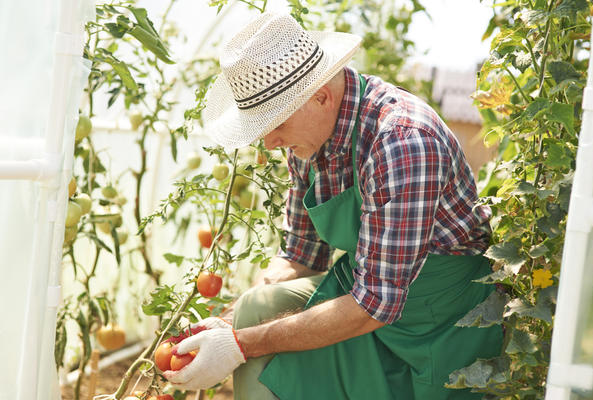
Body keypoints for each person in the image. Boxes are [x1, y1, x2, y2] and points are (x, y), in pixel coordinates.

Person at [164, 12, 503, 400]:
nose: (268, 143)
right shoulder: (308, 140)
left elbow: (375, 305)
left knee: (252, 336)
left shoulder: (402, 142)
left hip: (443, 326)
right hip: (371, 300)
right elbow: (299, 255)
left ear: (321, 96)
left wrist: (241, 345)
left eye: (273, 124)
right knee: (257, 306)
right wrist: (226, 326)